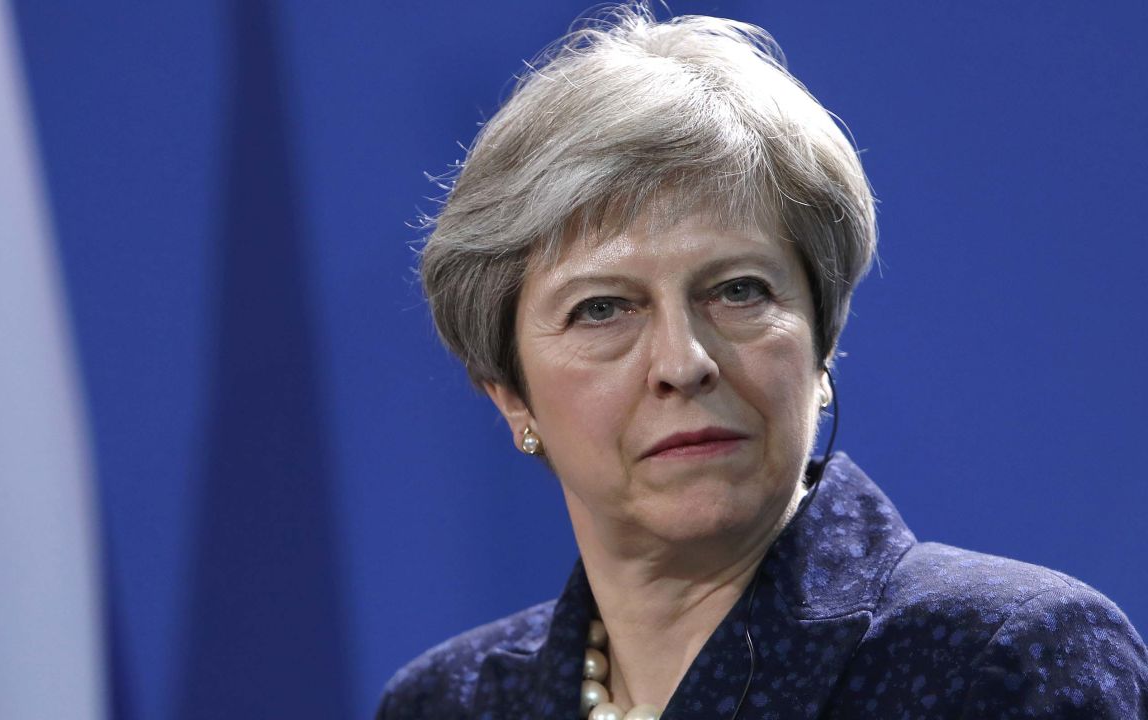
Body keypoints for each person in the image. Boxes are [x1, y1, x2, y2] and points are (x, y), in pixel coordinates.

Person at [376, 5, 1148, 718]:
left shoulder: (1002, 659)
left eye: (737, 290)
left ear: (821, 341)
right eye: (602, 308)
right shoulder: (450, 702)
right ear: (512, 396)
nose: (683, 362)